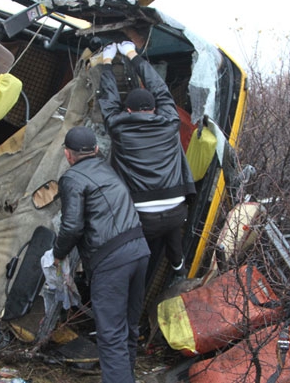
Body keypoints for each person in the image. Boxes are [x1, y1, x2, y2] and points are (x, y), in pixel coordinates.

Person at [53, 126, 150, 383]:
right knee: (128, 329)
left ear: (67, 154)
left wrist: (58, 253)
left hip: (112, 260)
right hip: (139, 250)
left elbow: (72, 226)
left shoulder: (72, 178)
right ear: (96, 149)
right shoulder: (108, 169)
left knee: (111, 335)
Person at [98, 39, 196, 286]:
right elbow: (160, 88)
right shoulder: (170, 122)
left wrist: (107, 62)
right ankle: (178, 270)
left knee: (141, 250)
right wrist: (132, 54)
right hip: (177, 209)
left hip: (142, 216)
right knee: (171, 232)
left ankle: (139, 282)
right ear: (155, 109)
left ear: (128, 111)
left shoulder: (118, 127)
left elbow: (108, 98)